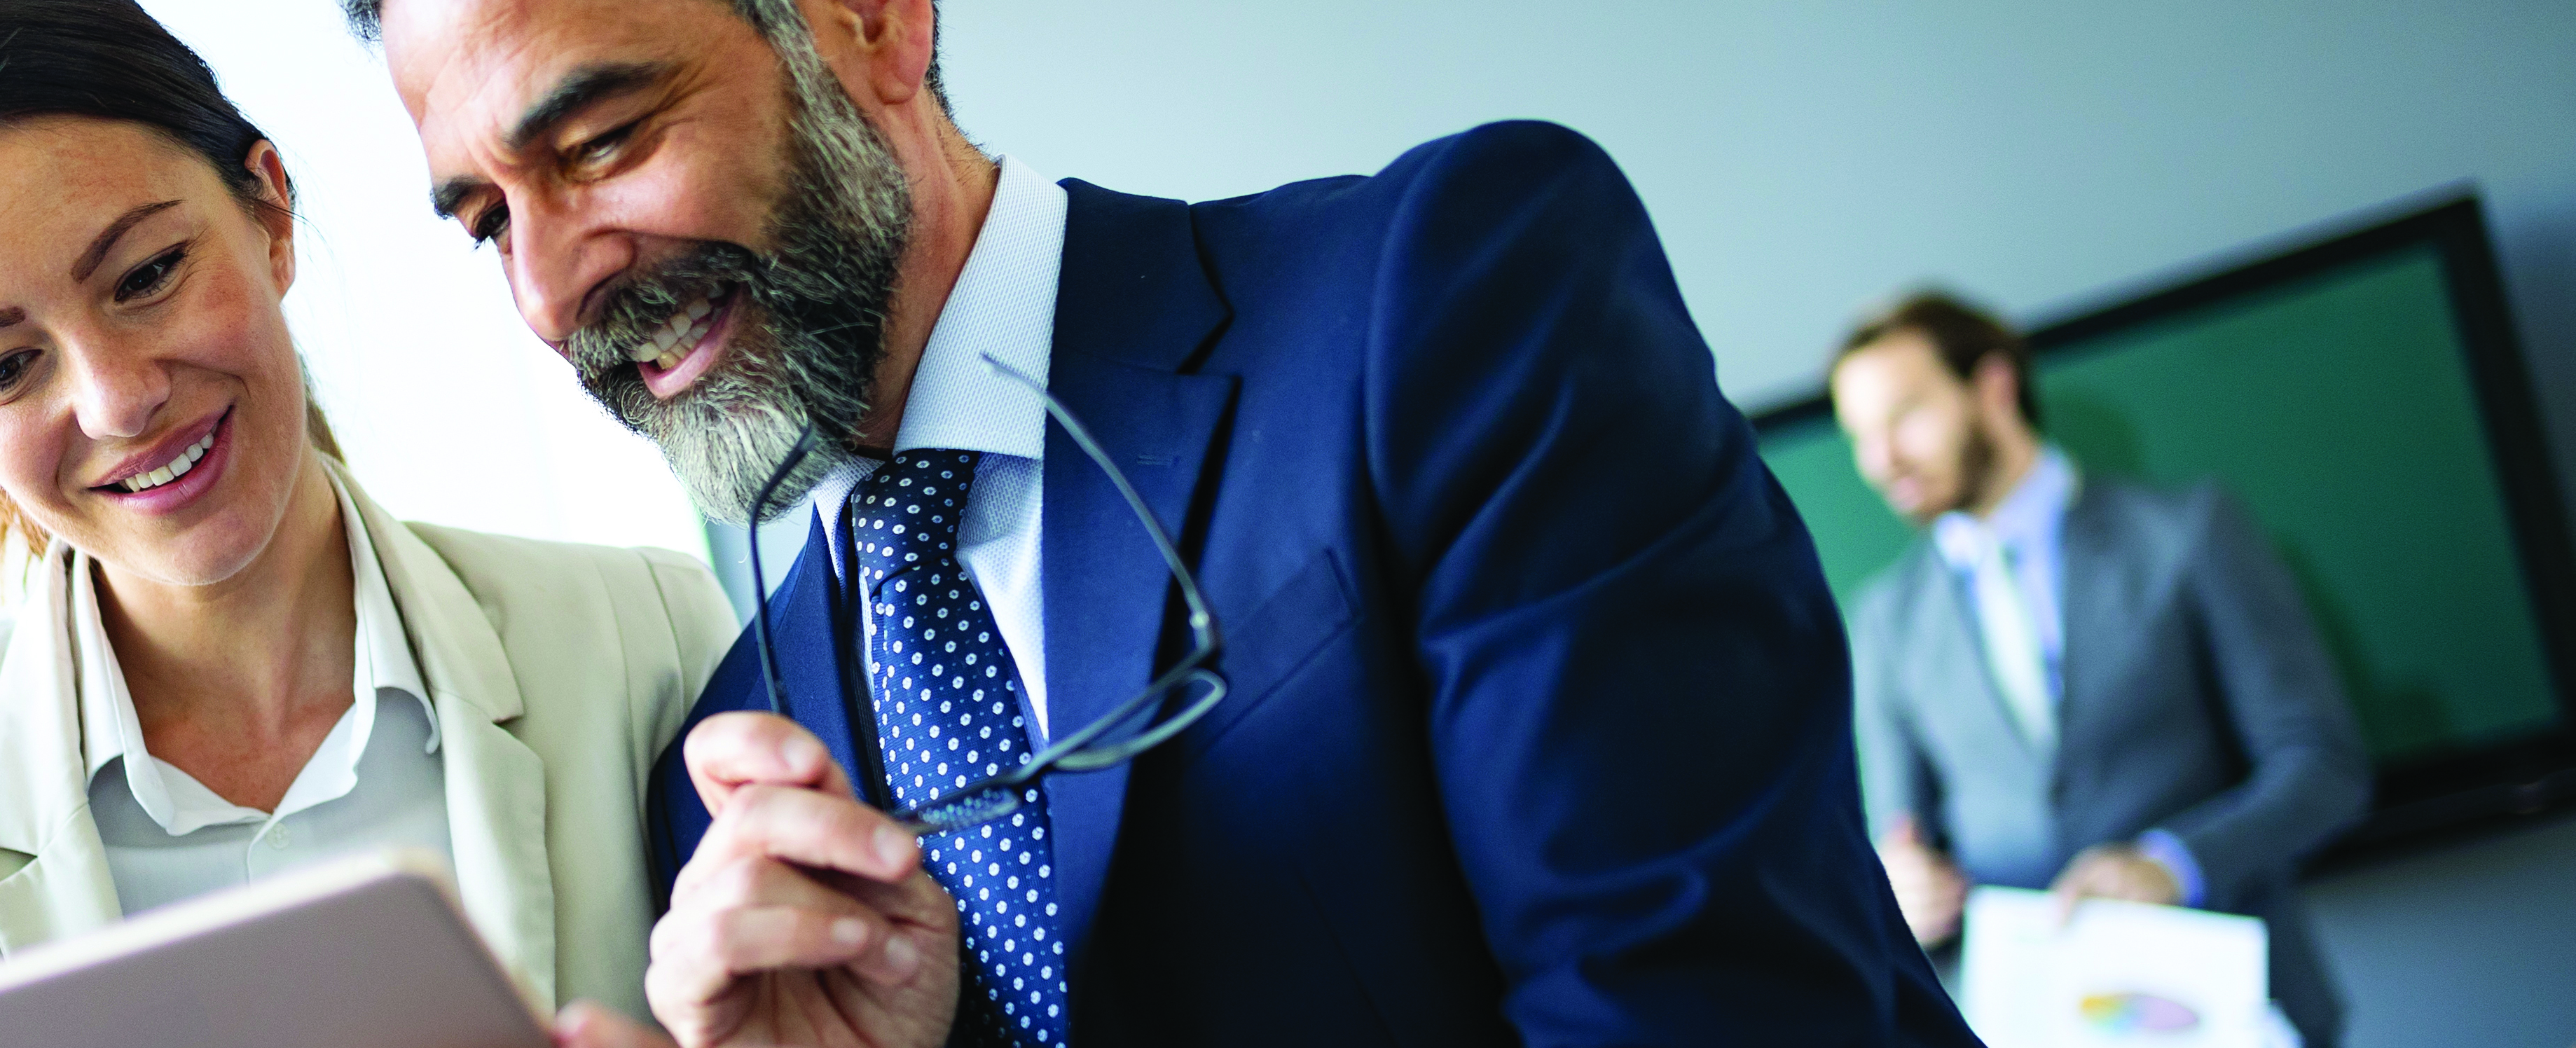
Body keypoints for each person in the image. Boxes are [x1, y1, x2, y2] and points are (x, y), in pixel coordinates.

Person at [340, 0, 1974, 1044]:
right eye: (486, 219)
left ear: (865, 24)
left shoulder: (1445, 298)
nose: (554, 289)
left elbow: (1712, 1008)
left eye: (603, 140)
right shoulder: (734, 785)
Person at [0, 1, 738, 1042]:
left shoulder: (642, 642)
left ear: (270, 216)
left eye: (148, 275)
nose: (118, 400)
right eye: (4, 369)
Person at [1830, 290, 2371, 1047]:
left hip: (2239, 1011)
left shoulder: (2191, 532)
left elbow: (2324, 767)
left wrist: (2172, 864)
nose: (1879, 459)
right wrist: (1900, 895)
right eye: (1860, 435)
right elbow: (1902, 846)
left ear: (1992, 386)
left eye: (1904, 417)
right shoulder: (1885, 619)